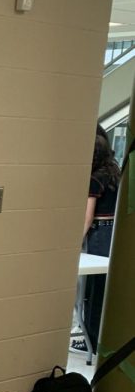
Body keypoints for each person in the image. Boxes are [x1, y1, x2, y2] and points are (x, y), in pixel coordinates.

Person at [75, 125, 121, 352]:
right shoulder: (114, 170)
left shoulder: (95, 179)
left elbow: (86, 216)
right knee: (105, 287)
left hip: (100, 232)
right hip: (115, 231)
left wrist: (74, 242)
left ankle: (90, 340)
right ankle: (100, 338)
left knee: (93, 290)